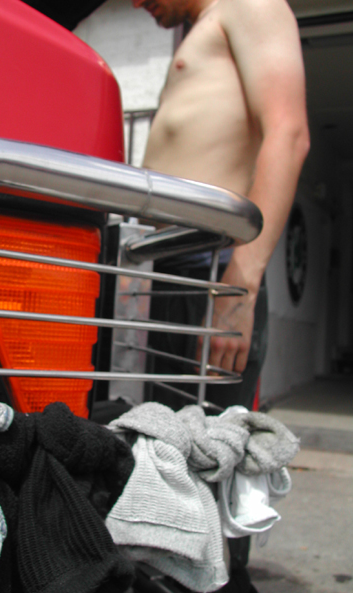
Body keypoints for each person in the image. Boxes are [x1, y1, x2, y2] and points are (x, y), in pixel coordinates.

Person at [131, 0, 310, 590]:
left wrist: (240, 283)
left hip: (212, 268)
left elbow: (288, 134)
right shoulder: (204, 26)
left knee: (208, 465)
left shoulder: (250, 4)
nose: (135, 2)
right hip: (173, 272)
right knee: (168, 456)